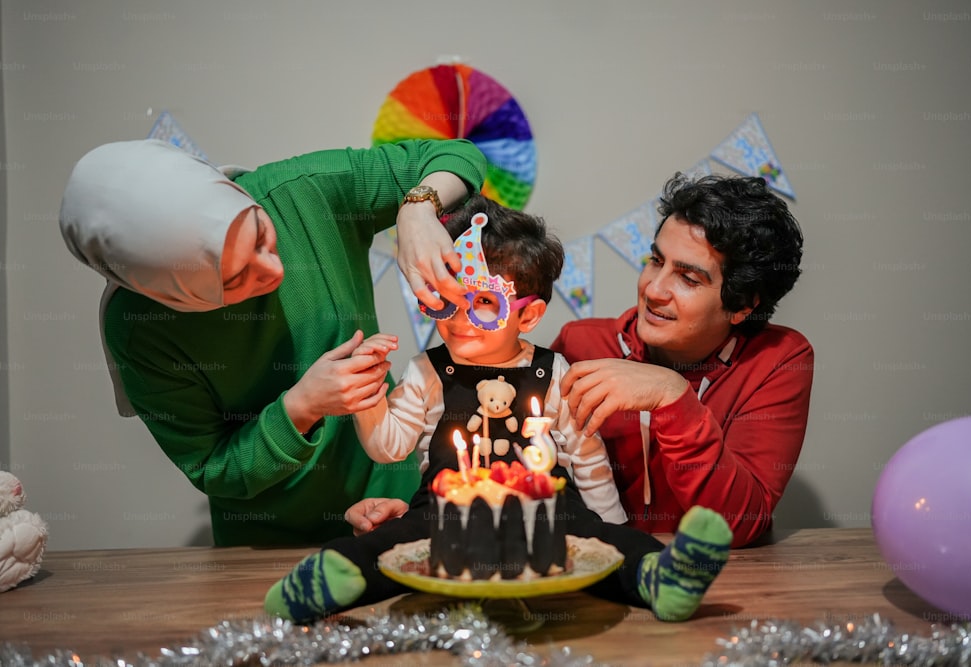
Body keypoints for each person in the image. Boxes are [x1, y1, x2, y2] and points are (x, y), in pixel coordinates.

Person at [264, 195, 733, 625]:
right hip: (446, 510)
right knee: (392, 546)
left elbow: (587, 458)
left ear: (527, 316)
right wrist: (367, 399)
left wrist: (612, 530)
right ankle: (331, 578)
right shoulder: (426, 371)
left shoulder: (556, 370)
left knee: (603, 547)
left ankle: (658, 576)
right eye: (447, 302)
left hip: (550, 511)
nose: (460, 320)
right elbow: (389, 447)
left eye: (483, 304)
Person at [59, 137, 488, 547]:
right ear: (168, 298)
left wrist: (417, 210)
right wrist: (302, 407)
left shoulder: (300, 194)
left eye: (261, 234)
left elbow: (454, 154)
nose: (274, 271)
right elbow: (214, 466)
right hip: (268, 543)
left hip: (394, 504)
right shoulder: (139, 329)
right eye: (233, 280)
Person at [346, 174, 812, 550]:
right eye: (655, 261)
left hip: (716, 582)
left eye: (687, 277)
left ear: (742, 305)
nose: (654, 289)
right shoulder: (583, 344)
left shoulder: (778, 361)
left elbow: (739, 526)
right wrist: (425, 514)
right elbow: (532, 455)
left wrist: (673, 397)